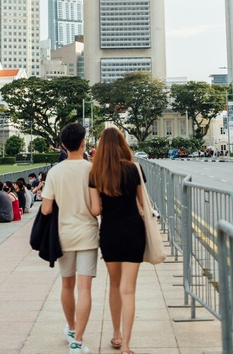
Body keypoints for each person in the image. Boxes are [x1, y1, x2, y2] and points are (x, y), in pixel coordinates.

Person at [40, 123, 99, 352]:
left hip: (63, 235)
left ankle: (72, 328)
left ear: (63, 145)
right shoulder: (91, 169)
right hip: (88, 234)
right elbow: (96, 208)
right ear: (83, 142)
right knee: (84, 288)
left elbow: (45, 209)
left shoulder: (55, 172)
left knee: (67, 284)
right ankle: (78, 340)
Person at [88, 128, 145, 354]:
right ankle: (127, 347)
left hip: (110, 233)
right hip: (134, 232)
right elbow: (143, 203)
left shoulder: (95, 173)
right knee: (128, 289)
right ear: (123, 144)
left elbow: (95, 210)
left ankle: (117, 335)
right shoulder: (134, 169)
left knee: (114, 284)